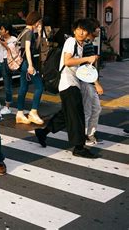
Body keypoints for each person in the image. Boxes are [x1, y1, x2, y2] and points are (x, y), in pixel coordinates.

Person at [34, 18, 99, 158]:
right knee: (77, 116)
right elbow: (68, 61)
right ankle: (79, 147)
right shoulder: (71, 42)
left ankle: (43, 132)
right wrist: (87, 59)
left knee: (66, 114)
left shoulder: (80, 45)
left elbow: (77, 66)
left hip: (74, 83)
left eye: (84, 30)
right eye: (78, 29)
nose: (81, 32)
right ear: (74, 30)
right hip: (68, 84)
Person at [16, 11, 44, 125]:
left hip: (24, 64)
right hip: (28, 64)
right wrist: (31, 66)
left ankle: (19, 114)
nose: (39, 23)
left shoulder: (25, 31)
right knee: (39, 87)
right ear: (36, 21)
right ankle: (33, 112)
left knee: (23, 88)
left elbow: (35, 46)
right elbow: (28, 49)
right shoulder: (29, 32)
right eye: (39, 21)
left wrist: (39, 32)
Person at [79, 20, 103, 146]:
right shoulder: (87, 44)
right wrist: (97, 83)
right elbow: (87, 67)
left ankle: (90, 133)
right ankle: (85, 136)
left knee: (96, 108)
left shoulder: (89, 43)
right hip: (86, 82)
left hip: (89, 81)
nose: (99, 30)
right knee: (88, 110)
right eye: (97, 28)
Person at [0, 23, 17, 115]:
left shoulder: (14, 39)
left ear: (7, 31)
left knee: (7, 85)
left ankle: (7, 106)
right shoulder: (0, 39)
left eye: (2, 29)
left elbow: (13, 51)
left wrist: (3, 43)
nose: (0, 31)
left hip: (7, 63)